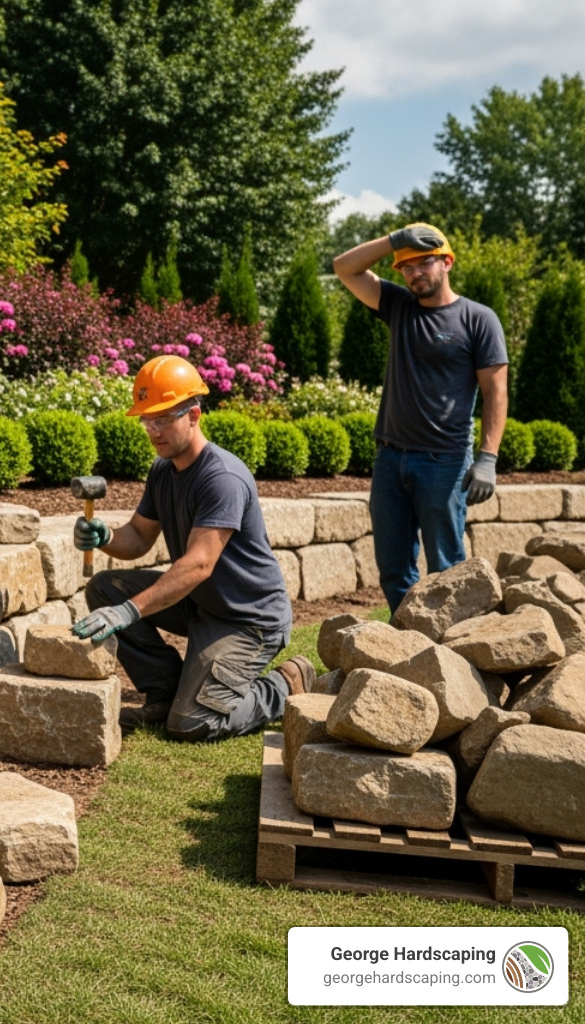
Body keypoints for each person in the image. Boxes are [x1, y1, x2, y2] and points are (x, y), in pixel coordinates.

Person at [70, 356, 313, 739]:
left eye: (163, 419)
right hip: (202, 603)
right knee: (105, 589)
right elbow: (139, 535)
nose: (153, 430)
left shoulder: (222, 479)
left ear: (194, 414)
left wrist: (129, 612)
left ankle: (284, 684)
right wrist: (107, 537)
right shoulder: (163, 470)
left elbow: (199, 564)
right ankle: (165, 693)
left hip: (248, 620)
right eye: (147, 420)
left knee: (194, 723)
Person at [332, 222, 507, 613]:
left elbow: (496, 392)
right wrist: (396, 240)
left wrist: (488, 458)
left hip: (444, 461)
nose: (414, 273)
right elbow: (344, 268)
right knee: (393, 569)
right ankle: (409, 646)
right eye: (406, 266)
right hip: (391, 458)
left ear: (447, 262)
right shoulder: (398, 306)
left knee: (447, 568)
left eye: (423, 262)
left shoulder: (478, 319)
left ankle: (459, 656)